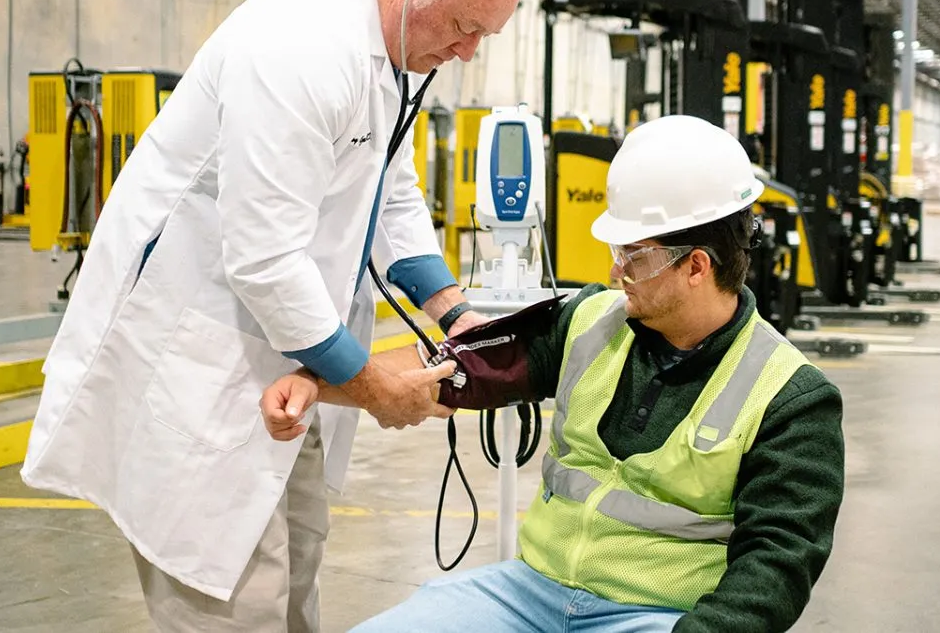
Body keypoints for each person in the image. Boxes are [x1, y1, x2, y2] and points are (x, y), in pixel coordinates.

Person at [20, 0, 531, 632]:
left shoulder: (394, 45)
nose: (467, 53)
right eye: (464, 28)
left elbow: (391, 183)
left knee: (296, 576)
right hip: (200, 353)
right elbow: (261, 258)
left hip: (291, 349)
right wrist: (373, 385)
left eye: (484, 35)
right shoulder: (302, 45)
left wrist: (452, 309)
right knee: (228, 599)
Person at [266, 115, 846, 632]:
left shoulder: (791, 399)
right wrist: (316, 384)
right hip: (531, 595)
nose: (615, 270)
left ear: (696, 265)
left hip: (659, 615)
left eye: (634, 256)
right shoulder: (590, 322)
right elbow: (452, 368)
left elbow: (776, 567)